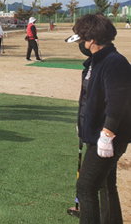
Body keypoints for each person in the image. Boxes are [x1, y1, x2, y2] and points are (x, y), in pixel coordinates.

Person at [65, 14, 131, 223]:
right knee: (105, 183)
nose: (82, 43)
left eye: (83, 38)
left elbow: (118, 102)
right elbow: (90, 98)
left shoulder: (114, 62)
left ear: (91, 40)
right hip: (96, 133)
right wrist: (83, 124)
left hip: (108, 138)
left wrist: (107, 134)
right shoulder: (96, 61)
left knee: (85, 187)